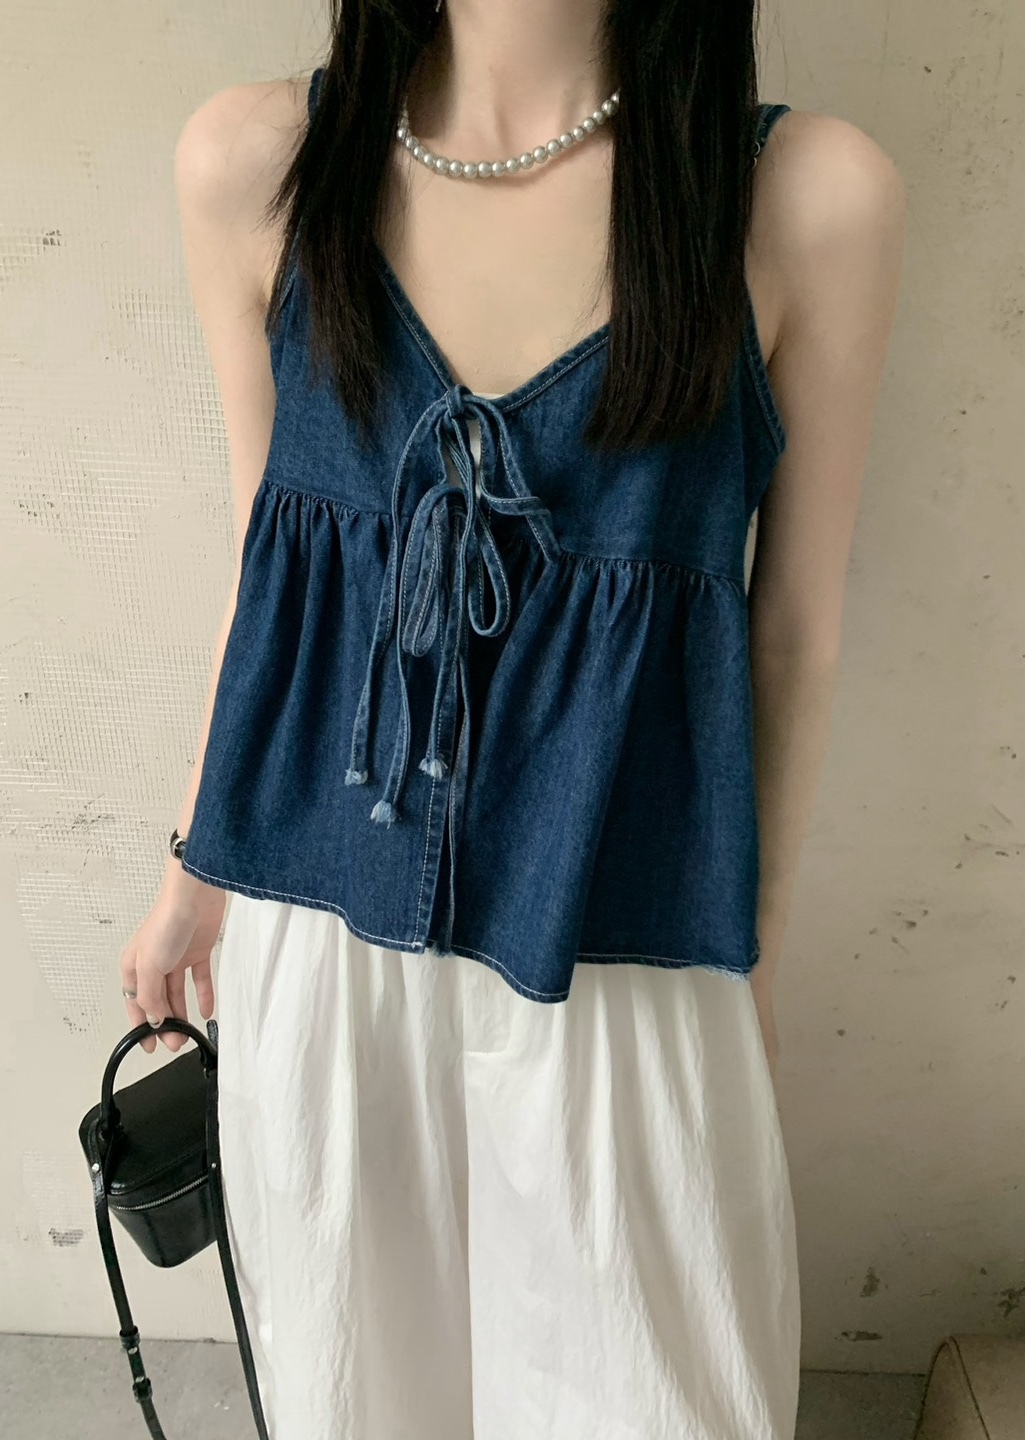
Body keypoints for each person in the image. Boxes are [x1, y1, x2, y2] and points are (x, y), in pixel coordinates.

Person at [119, 3, 905, 1436]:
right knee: (362, 1391)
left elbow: (793, 629)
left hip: (625, 941)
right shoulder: (257, 162)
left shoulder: (804, 198)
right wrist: (194, 867)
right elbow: (272, 567)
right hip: (324, 937)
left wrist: (752, 956)